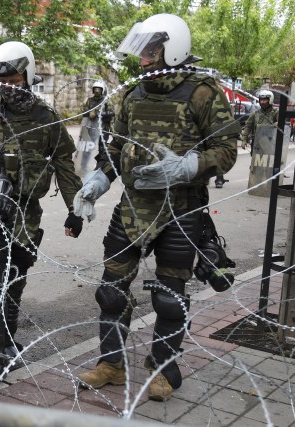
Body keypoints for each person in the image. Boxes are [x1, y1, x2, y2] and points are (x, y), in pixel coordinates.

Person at [74, 14, 239, 402]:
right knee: (111, 292)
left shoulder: (203, 93)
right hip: (133, 209)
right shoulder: (134, 95)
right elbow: (116, 147)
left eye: (151, 51)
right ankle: (111, 365)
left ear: (173, 49)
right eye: (143, 51)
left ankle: (164, 369)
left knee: (169, 297)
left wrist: (188, 166)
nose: (143, 59)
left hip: (181, 210)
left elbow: (227, 149)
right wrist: (98, 182)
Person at [0, 41, 83, 394]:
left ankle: (5, 343)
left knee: (14, 279)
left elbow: (64, 163)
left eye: (14, 79)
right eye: (2, 79)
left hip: (27, 214)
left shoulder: (45, 118)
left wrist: (75, 208)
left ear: (28, 75)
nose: (8, 85)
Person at [76, 79, 114, 175]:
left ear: (102, 90)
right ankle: (84, 167)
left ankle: (99, 169)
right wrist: (89, 113)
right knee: (87, 147)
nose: (97, 91)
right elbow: (84, 112)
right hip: (91, 128)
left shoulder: (106, 100)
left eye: (99, 89)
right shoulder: (89, 101)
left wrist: (98, 114)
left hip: (103, 128)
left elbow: (111, 113)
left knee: (102, 149)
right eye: (95, 89)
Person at [241, 89, 278, 154]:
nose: (262, 102)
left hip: (271, 142)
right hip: (257, 143)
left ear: (270, 100)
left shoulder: (275, 112)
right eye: (261, 100)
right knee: (256, 160)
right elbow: (247, 127)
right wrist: (244, 139)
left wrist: (275, 125)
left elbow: (281, 123)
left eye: (265, 100)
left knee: (270, 159)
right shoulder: (255, 114)